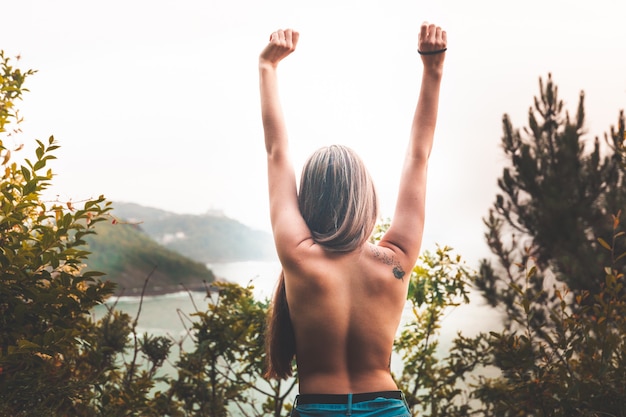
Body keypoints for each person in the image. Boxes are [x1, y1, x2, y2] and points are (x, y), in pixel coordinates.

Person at [259, 22, 447, 417]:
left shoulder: (299, 257)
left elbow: (278, 152)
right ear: (367, 196)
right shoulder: (395, 259)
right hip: (387, 409)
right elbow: (418, 155)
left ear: (307, 198)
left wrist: (268, 67)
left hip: (316, 409)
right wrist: (433, 67)